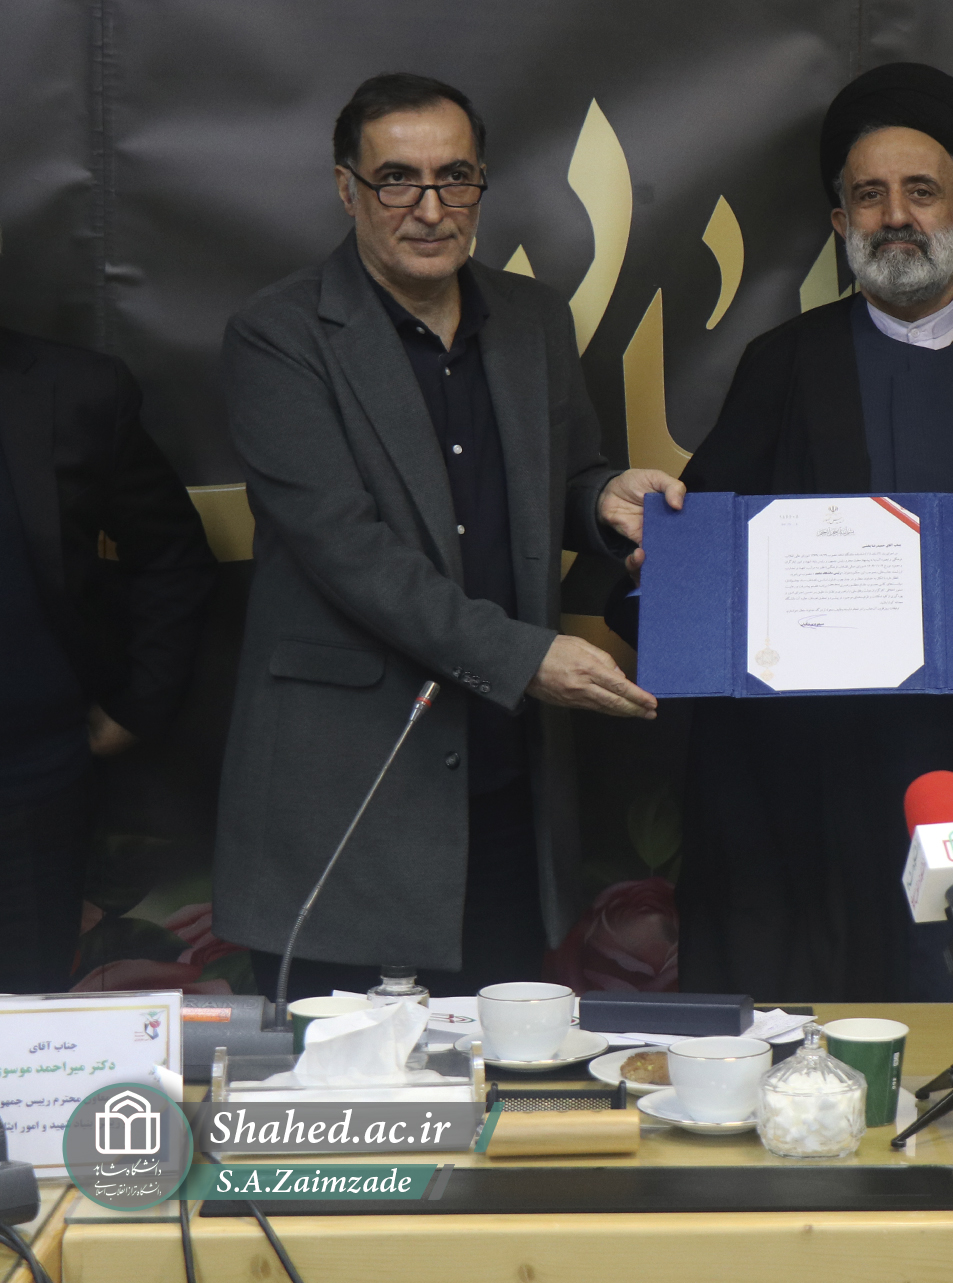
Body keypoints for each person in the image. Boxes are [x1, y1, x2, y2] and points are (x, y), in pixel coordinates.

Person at [621, 62, 953, 1001]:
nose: (895, 216)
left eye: (921, 191)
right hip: (832, 774)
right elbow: (701, 563)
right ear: (841, 223)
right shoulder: (785, 365)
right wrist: (661, 574)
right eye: (869, 197)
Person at [215, 73, 682, 1000]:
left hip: (501, 785)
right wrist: (525, 656)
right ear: (347, 187)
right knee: (343, 1082)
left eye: (455, 178)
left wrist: (603, 502)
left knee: (491, 1063)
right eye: (397, 180)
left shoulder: (533, 319)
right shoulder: (279, 336)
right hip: (347, 793)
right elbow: (347, 549)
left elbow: (560, 478)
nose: (430, 210)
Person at [0, 330, 216, 994]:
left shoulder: (75, 389)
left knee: (25, 1029)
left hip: (28, 789)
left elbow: (171, 553)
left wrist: (138, 704)